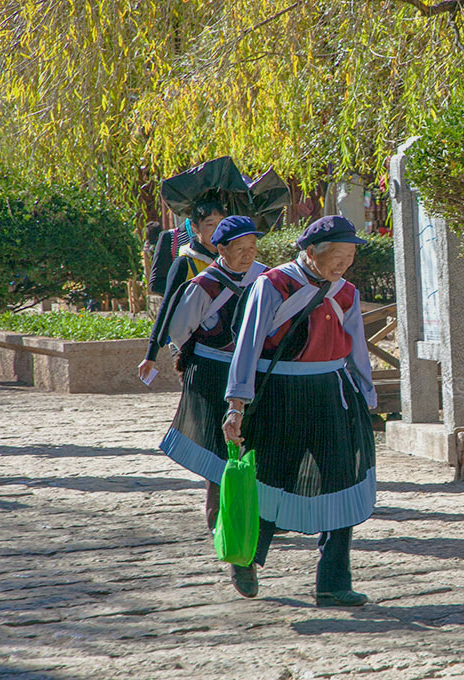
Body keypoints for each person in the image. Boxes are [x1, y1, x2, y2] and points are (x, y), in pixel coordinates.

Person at [221, 215, 377, 607]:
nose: (344, 265)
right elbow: (248, 347)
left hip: (332, 393)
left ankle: (333, 582)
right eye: (338, 257)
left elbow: (356, 347)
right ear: (310, 253)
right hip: (281, 395)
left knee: (341, 481)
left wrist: (367, 397)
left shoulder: (347, 292)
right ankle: (248, 558)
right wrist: (236, 404)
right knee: (272, 480)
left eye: (350, 257)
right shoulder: (273, 285)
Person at [157, 216, 268, 530]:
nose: (249, 254)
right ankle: (217, 512)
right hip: (213, 372)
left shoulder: (265, 278)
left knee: (254, 438)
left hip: (252, 371)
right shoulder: (204, 284)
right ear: (221, 248)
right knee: (219, 444)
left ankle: (253, 511)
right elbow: (179, 330)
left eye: (253, 247)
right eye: (240, 248)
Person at [138, 201, 226, 384]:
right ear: (194, 227)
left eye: (221, 224)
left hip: (223, 344)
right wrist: (151, 354)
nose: (217, 230)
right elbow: (167, 306)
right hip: (188, 344)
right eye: (210, 224)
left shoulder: (229, 262)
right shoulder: (184, 263)